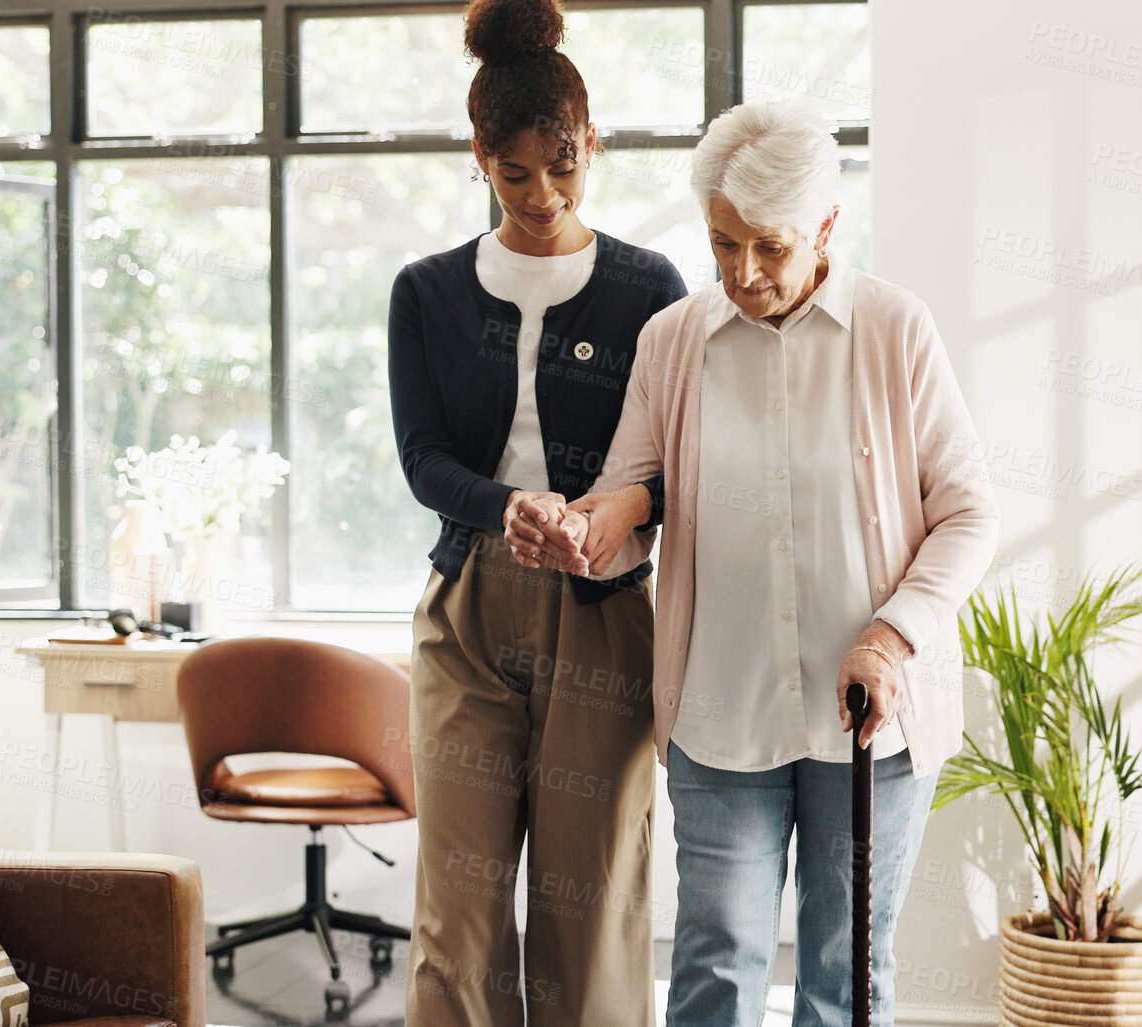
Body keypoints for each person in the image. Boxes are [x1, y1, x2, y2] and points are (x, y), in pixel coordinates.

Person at [539, 101, 1002, 1026]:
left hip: (868, 720)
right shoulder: (673, 341)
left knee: (843, 975)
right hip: (721, 714)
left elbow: (968, 513)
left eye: (770, 247)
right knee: (714, 968)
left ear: (826, 227)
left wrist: (892, 633)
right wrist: (581, 533)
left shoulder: (893, 331)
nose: (742, 272)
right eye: (721, 243)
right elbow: (630, 503)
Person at [385, 0, 686, 1022]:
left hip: (602, 606)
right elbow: (423, 458)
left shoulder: (652, 288)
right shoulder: (424, 291)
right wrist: (512, 505)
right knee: (457, 909)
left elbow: (679, 465)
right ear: (478, 158)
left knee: (590, 902)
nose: (544, 195)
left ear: (591, 142)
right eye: (516, 174)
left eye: (564, 166)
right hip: (469, 603)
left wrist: (601, 516)